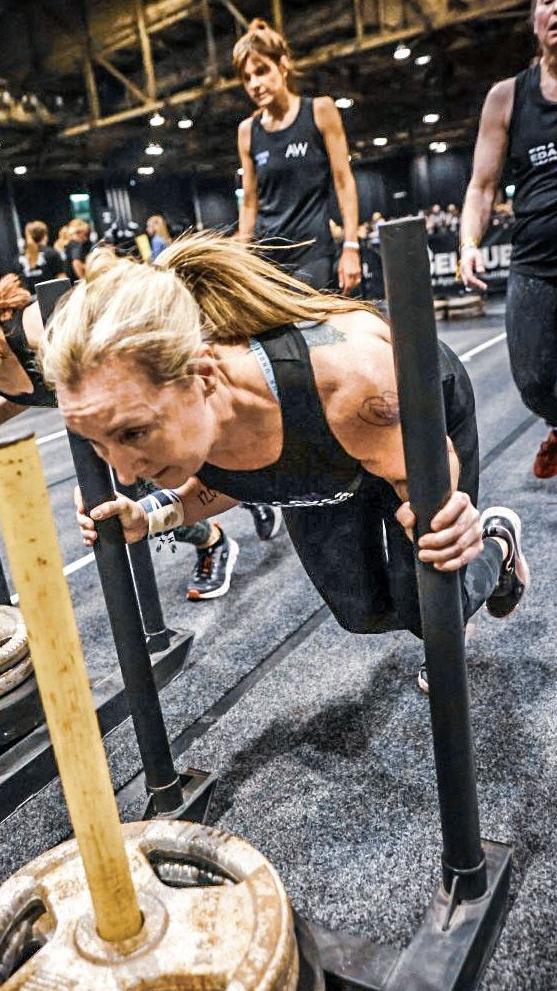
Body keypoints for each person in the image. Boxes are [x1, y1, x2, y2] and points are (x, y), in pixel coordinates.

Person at [41, 235, 530, 693]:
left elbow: (429, 480)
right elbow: (237, 478)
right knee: (361, 612)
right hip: (327, 457)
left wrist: (451, 519)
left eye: (133, 434)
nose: (125, 474)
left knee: (430, 613)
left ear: (204, 378)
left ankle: (497, 546)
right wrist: (148, 516)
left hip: (405, 422)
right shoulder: (186, 413)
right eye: (99, 443)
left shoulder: (351, 385)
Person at [0, 271, 239, 600]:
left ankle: (223, 521)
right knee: (135, 505)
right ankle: (221, 519)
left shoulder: (34, 328)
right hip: (114, 431)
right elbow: (15, 400)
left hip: (147, 404)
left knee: (189, 471)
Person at [460, 0, 557, 479]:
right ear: (534, 20)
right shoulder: (508, 97)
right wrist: (468, 244)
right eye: (545, 0)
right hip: (536, 262)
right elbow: (481, 185)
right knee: (536, 384)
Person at [234, 19, 361, 294]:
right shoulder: (247, 131)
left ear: (282, 66)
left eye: (262, 71)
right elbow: (249, 203)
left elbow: (343, 181)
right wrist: (243, 258)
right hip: (267, 259)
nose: (255, 84)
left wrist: (351, 246)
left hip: (313, 253)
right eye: (247, 78)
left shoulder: (320, 111)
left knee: (310, 331)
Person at [13, 221, 66, 293]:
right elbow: (61, 279)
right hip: (51, 298)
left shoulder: (18, 258)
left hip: (28, 301)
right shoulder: (51, 253)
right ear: (45, 235)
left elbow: (17, 284)